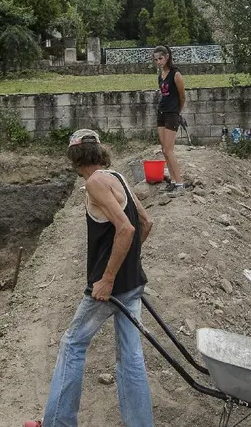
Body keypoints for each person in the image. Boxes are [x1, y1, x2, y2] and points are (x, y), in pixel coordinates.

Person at [25, 129, 155, 427]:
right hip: (133, 283)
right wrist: (125, 265)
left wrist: (109, 277)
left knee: (72, 343)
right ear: (99, 152)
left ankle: (59, 422)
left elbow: (127, 229)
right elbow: (146, 223)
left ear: (74, 158)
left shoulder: (95, 183)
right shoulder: (117, 177)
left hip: (108, 290)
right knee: (130, 357)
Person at [153, 45, 187, 192]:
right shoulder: (160, 76)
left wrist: (177, 112)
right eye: (155, 59)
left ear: (167, 57)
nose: (158, 62)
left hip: (172, 114)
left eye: (160, 58)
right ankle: (173, 181)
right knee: (164, 149)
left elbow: (182, 96)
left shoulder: (176, 74)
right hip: (161, 113)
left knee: (169, 150)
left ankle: (180, 184)